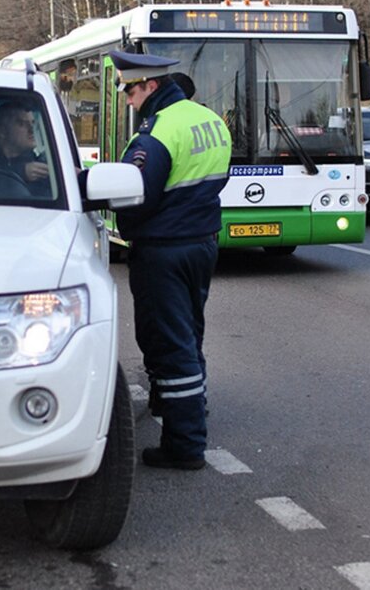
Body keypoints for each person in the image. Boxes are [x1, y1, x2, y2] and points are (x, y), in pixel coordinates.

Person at [107, 50, 231, 470]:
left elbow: (135, 195)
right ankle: (192, 408)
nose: (126, 98)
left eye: (130, 89)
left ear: (151, 86)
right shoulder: (209, 119)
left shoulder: (157, 131)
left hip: (162, 250)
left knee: (168, 344)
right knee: (188, 335)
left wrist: (118, 217)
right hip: (201, 244)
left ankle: (184, 444)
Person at [0, 101, 50, 195]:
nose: (31, 129)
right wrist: (20, 172)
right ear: (2, 130)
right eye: (22, 123)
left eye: (32, 123)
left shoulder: (44, 167)